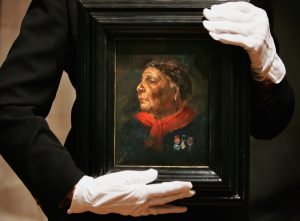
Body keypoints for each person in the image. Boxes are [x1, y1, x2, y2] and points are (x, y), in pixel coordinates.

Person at [0, 0, 295, 221]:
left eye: (151, 81)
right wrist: (73, 189)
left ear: (176, 90)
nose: (140, 88)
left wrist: (267, 71)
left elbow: (268, 124)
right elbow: (9, 105)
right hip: (101, 215)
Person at [118, 58, 208, 166]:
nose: (139, 87)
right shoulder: (131, 126)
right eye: (141, 80)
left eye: (150, 81)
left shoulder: (199, 127)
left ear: (174, 91)